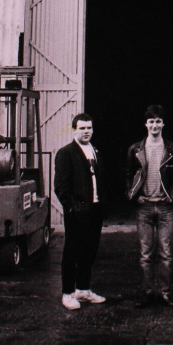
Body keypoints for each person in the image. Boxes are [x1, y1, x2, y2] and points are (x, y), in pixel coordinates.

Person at [126, 104, 173, 308]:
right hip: (144, 207)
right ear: (146, 124)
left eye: (158, 121)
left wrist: (172, 196)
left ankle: (165, 292)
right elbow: (128, 176)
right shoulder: (135, 149)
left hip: (164, 207)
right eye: (151, 121)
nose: (155, 125)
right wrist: (134, 197)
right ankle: (146, 293)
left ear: (163, 124)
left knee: (165, 253)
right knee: (145, 253)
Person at [54, 113, 107, 311]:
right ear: (74, 130)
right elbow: (60, 187)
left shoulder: (96, 151)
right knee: (72, 252)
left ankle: (83, 289)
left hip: (95, 211)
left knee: (89, 251)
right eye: (82, 128)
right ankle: (67, 293)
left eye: (89, 128)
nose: (86, 132)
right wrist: (73, 208)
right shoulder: (66, 153)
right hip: (77, 213)